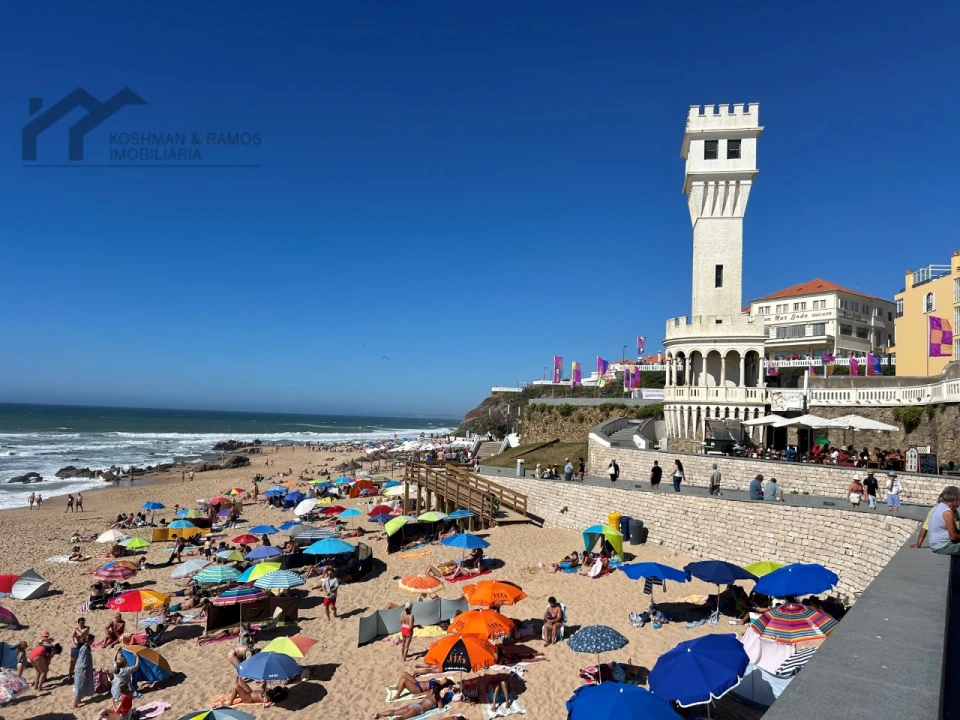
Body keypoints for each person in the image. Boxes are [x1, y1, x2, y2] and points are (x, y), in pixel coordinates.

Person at [373, 682, 447, 719]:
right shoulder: (438, 697)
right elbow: (441, 708)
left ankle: (379, 714)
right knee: (401, 718)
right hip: (418, 709)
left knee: (395, 712)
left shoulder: (429, 693)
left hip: (414, 705)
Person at [928, 486, 960, 555]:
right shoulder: (947, 513)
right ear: (956, 499)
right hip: (942, 546)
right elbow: (953, 537)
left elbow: (955, 531)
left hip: (937, 544)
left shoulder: (940, 506)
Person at [217, 677, 287, 707]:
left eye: (274, 689)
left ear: (275, 693)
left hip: (249, 698)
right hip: (250, 692)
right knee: (240, 681)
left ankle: (230, 703)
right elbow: (264, 688)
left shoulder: (268, 697)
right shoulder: (270, 692)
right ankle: (237, 694)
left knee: (236, 687)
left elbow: (264, 695)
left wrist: (264, 686)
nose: (273, 688)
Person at [72, 633, 95, 707]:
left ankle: (79, 700)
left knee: (82, 685)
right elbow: (83, 660)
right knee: (80, 685)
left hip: (82, 668)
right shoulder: (85, 649)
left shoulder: (85, 647)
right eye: (92, 640)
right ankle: (75, 703)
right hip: (82, 669)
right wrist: (85, 670)